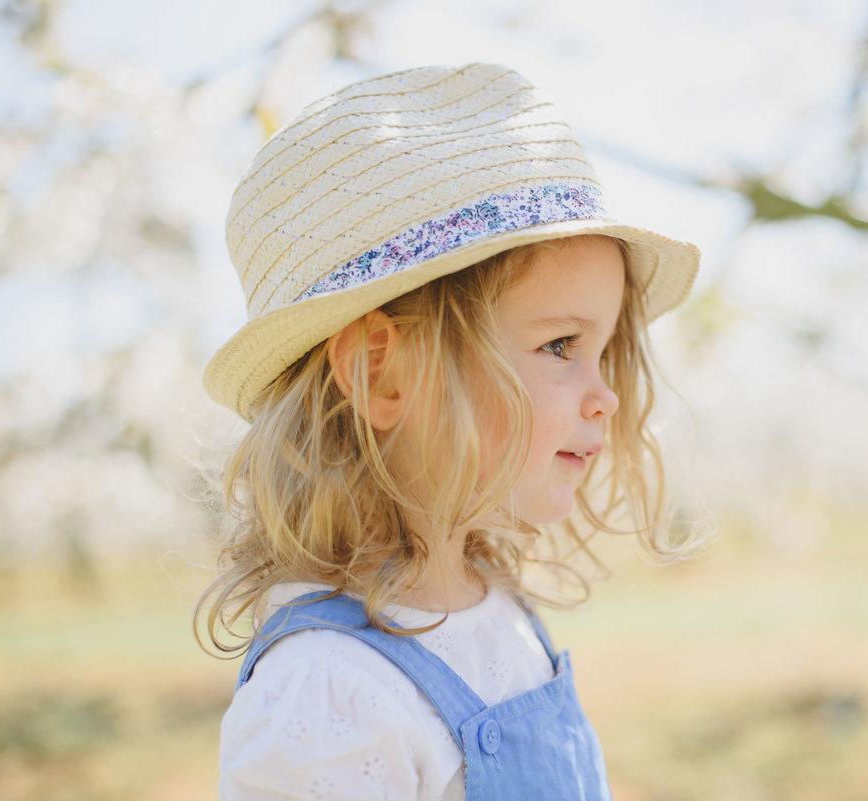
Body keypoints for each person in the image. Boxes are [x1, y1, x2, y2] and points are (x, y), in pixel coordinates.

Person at [197, 63, 701, 801]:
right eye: (561, 346)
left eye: (604, 354)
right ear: (383, 374)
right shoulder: (328, 698)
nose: (607, 398)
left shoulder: (496, 605)